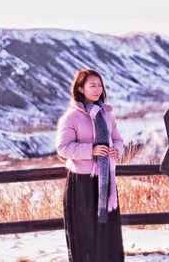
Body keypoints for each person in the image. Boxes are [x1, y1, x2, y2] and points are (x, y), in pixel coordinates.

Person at [56, 69, 125, 262]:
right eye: (92, 85)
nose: (97, 89)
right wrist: (91, 150)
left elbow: (118, 140)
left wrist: (115, 150)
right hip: (82, 183)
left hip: (106, 183)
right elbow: (63, 148)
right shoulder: (71, 117)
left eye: (100, 85)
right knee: (85, 232)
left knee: (107, 232)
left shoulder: (107, 115)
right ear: (80, 88)